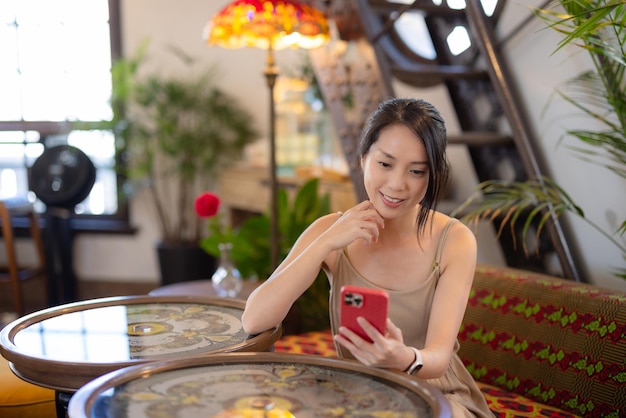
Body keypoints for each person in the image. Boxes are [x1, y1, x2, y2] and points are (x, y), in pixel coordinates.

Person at [242, 97, 492, 417]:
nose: (397, 184)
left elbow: (439, 357)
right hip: (362, 397)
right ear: (363, 159)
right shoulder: (332, 230)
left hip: (437, 397)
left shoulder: (454, 240)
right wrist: (326, 242)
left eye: (416, 171)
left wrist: (402, 357)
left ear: (431, 175)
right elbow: (255, 318)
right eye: (385, 164)